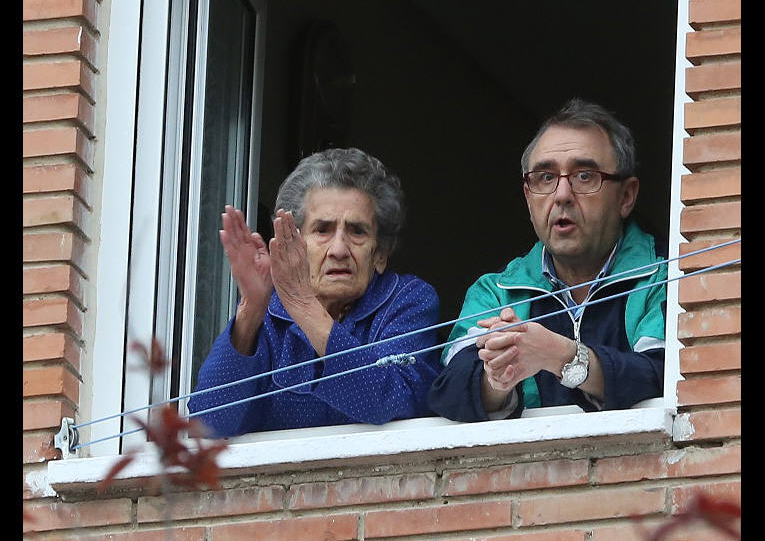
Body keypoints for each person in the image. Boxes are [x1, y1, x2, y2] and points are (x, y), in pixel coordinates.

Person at [428, 99, 667, 422]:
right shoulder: (497, 291)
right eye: (545, 177)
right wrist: (498, 377)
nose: (562, 195)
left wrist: (564, 357)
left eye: (584, 176)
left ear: (626, 197)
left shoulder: (663, 274)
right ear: (529, 198)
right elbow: (447, 392)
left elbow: (670, 378)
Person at [188, 147, 441, 436]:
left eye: (357, 231)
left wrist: (305, 307)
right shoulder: (268, 314)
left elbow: (393, 400)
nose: (339, 250)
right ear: (293, 245)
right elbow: (207, 426)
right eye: (323, 230)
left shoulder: (409, 300)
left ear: (380, 254)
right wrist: (251, 309)